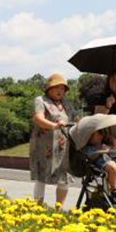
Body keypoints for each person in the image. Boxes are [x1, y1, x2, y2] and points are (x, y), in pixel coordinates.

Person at [30, 73, 75, 207]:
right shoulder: (40, 100)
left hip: (63, 146)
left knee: (64, 177)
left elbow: (75, 119)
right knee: (41, 176)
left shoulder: (67, 104)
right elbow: (38, 118)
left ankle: (58, 209)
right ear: (49, 88)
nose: (60, 91)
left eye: (63, 88)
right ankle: (37, 207)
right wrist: (54, 125)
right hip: (44, 145)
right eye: (57, 87)